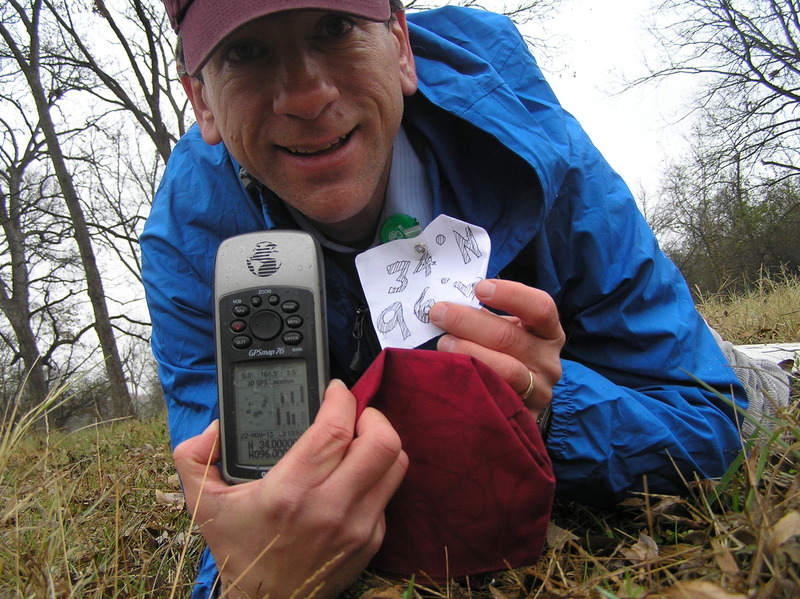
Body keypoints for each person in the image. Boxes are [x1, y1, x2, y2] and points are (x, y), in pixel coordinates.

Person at [141, 1, 748, 597]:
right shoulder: (191, 239)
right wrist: (253, 579)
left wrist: (549, 413)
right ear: (202, 102)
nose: (306, 96)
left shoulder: (536, 147)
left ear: (401, 46)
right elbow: (232, 511)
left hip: (599, 366)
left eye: (335, 28)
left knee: (751, 382)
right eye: (246, 51)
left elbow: (709, 421)